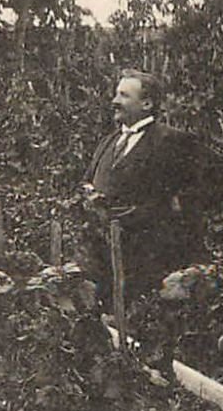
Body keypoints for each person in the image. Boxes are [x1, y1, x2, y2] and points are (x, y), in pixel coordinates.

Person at [81, 69, 214, 311]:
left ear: (147, 103)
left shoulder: (172, 141)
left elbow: (208, 185)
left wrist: (167, 215)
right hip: (103, 253)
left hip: (147, 256)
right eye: (116, 94)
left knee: (141, 321)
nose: (114, 101)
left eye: (123, 96)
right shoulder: (108, 141)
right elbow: (89, 181)